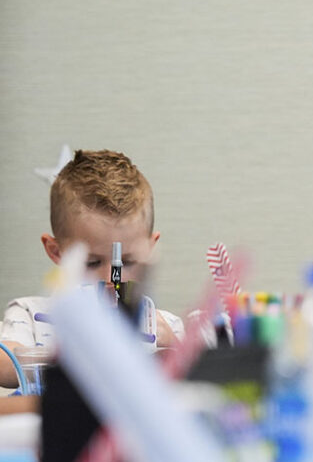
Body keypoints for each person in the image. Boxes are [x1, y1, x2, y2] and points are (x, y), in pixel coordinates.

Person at [1, 150, 183, 389]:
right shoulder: (29, 314)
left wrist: (173, 347)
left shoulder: (162, 325)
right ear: (57, 252)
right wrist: (70, 358)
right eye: (92, 263)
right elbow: (4, 366)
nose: (111, 278)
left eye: (126, 262)